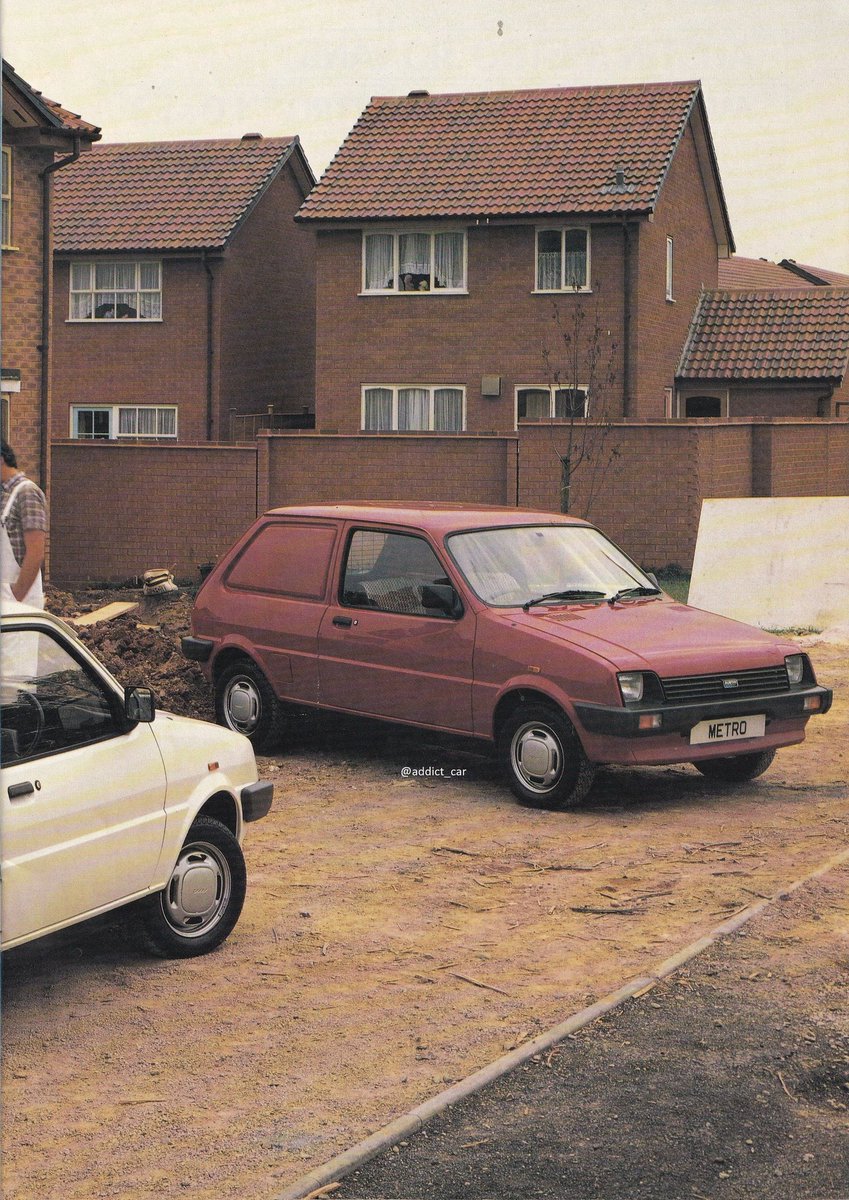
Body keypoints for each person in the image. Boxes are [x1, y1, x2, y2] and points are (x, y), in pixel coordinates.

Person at [1, 439, 47, 607]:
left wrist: (16, 598)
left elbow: (36, 552)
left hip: (19, 606)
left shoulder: (26, 493)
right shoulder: (6, 495)